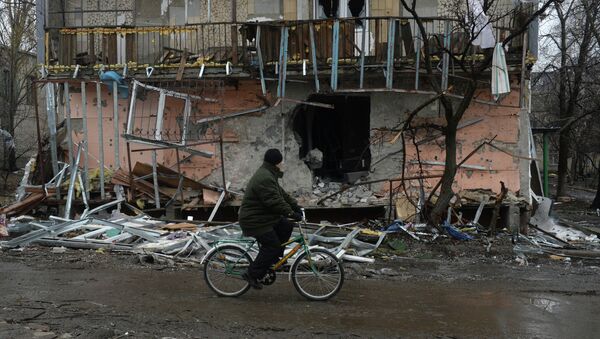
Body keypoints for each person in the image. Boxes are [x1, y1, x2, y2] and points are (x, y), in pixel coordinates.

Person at [238, 148, 303, 289]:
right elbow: (274, 202)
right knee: (272, 245)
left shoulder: (269, 174)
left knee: (286, 225)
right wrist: (292, 214)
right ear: (276, 163)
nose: (283, 163)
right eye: (281, 161)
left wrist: (296, 207)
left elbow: (282, 195)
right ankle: (251, 274)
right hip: (254, 221)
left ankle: (273, 260)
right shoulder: (265, 177)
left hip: (264, 218)